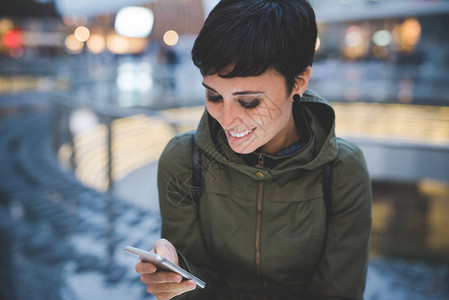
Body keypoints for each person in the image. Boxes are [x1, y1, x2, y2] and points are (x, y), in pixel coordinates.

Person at [135, 0, 372, 299]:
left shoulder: (342, 170)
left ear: (299, 81)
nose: (227, 119)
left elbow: (339, 293)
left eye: (249, 101)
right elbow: (197, 289)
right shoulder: (183, 160)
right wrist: (178, 274)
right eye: (214, 96)